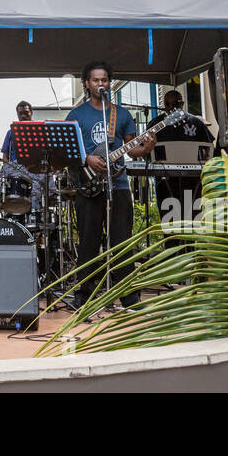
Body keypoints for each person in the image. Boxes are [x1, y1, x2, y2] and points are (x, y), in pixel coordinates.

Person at [65, 61, 141, 304]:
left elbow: (134, 149)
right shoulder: (76, 115)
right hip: (88, 186)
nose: (101, 84)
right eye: (96, 80)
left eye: (105, 80)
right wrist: (87, 158)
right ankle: (83, 295)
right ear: (87, 84)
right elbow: (66, 149)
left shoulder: (122, 114)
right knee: (88, 242)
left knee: (121, 242)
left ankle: (128, 297)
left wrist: (147, 146)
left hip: (117, 186)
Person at [132, 89, 216, 224]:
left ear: (182, 104)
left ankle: (188, 245)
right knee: (170, 221)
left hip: (193, 180)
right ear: (164, 105)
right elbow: (144, 150)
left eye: (175, 104)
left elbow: (210, 151)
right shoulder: (156, 124)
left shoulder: (196, 123)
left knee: (192, 219)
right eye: (168, 104)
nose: (171, 108)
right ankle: (176, 245)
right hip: (165, 180)